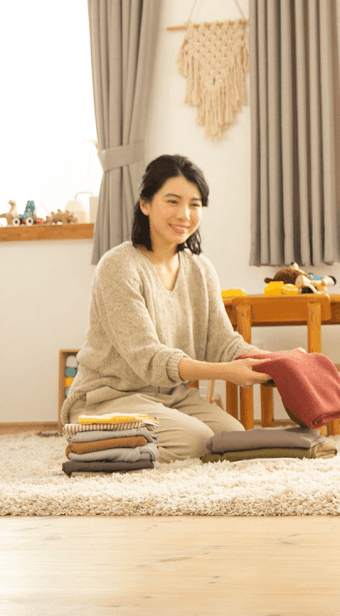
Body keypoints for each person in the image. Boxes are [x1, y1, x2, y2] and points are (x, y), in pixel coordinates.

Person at [61, 154, 274, 462]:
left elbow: (223, 342)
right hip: (107, 397)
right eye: (172, 201)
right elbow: (147, 357)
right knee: (196, 440)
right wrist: (227, 373)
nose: (184, 214)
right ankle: (90, 441)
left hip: (172, 396)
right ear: (145, 204)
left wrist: (279, 362)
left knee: (231, 437)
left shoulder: (201, 270)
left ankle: (135, 441)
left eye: (195, 204)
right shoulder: (118, 266)